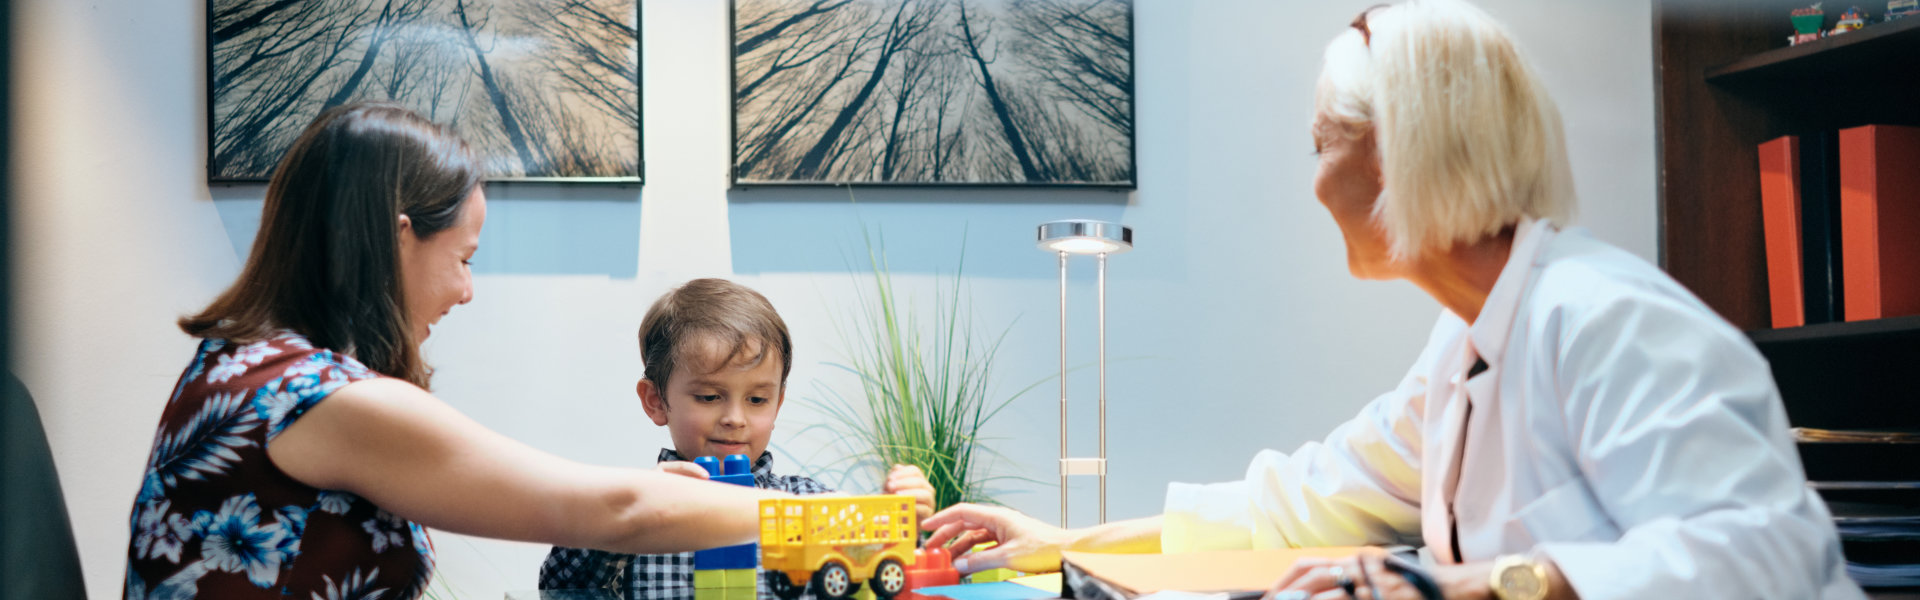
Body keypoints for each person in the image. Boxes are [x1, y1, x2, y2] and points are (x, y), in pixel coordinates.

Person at [920, 1, 1864, 599]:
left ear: (1399, 152)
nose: (1316, 184)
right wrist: (1063, 538)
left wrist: (1473, 585)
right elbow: (1296, 505)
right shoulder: (1465, 343)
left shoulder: (1609, 319)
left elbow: (1763, 561)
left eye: (1321, 145)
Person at [124, 103, 785, 600]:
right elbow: (618, 514)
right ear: (399, 237)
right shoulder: (324, 400)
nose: (466, 292)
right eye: (463, 259)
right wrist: (853, 517)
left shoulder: (240, 365)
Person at [538, 278, 935, 597]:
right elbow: (559, 587)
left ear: (778, 404)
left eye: (757, 399)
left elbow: (873, 579)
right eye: (709, 396)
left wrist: (905, 520)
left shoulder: (810, 502)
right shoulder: (640, 507)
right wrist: (623, 515)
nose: (734, 418)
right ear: (656, 400)